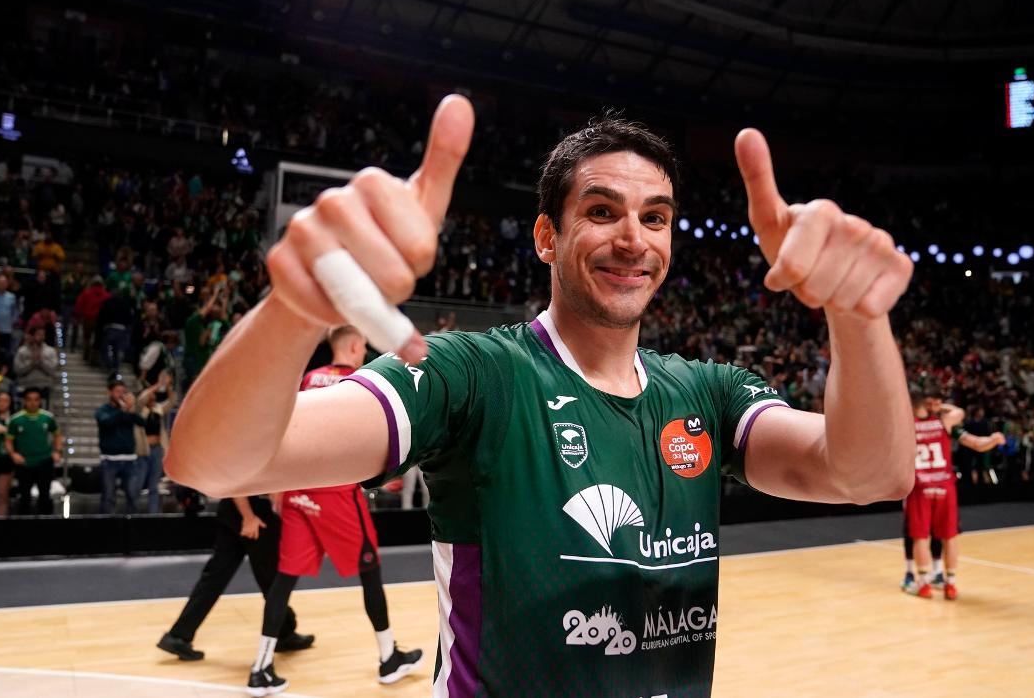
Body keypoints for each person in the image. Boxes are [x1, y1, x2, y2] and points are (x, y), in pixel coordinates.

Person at [168, 98, 916, 697]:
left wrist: (858, 314)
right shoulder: (474, 376)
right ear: (546, 238)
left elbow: (869, 474)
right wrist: (295, 310)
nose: (633, 238)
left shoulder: (706, 391)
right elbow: (214, 464)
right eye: (601, 211)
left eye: (654, 217)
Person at [254, 326, 423, 691]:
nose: (363, 352)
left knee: (285, 578)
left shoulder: (310, 379)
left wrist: (278, 486)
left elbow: (287, 433)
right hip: (336, 493)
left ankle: (261, 666)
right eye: (362, 346)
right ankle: (387, 658)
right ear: (352, 345)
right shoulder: (358, 382)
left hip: (299, 494)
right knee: (370, 571)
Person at [156, 494, 316, 668]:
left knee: (217, 576)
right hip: (251, 511)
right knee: (272, 580)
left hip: (236, 508)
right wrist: (248, 516)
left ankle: (178, 636)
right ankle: (284, 634)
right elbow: (238, 480)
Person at [903, 390, 1005, 600]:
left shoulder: (906, 426)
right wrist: (994, 439)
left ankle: (923, 584)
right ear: (930, 403)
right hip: (945, 485)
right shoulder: (945, 422)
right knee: (950, 537)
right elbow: (974, 437)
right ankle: (950, 584)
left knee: (920, 537)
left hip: (921, 486)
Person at [6, 387, 62, 516]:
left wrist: (57, 451)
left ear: (40, 401)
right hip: (24, 463)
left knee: (45, 496)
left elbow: (57, 435)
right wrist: (13, 454)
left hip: (44, 461)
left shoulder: (48, 417)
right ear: (25, 401)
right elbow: (8, 441)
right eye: (30, 400)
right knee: (24, 497)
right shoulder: (15, 420)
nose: (33, 403)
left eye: (36, 400)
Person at [95, 378, 143, 514]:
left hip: (129, 460)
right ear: (110, 392)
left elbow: (142, 422)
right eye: (117, 391)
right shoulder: (103, 410)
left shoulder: (128, 411)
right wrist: (122, 410)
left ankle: (133, 530)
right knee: (108, 497)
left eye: (123, 391)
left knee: (133, 497)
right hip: (109, 460)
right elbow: (106, 423)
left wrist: (132, 409)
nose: (121, 394)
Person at [136, 373, 176, 514]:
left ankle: (153, 514)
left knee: (154, 485)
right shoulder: (141, 410)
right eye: (150, 395)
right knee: (139, 483)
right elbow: (141, 399)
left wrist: (168, 385)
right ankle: (133, 513)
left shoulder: (158, 409)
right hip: (143, 450)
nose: (153, 397)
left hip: (157, 449)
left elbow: (171, 401)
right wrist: (158, 385)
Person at [13, 326, 58, 410]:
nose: (41, 337)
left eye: (43, 334)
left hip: (44, 387)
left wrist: (41, 361)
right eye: (38, 334)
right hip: (26, 386)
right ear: (32, 335)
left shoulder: (50, 351)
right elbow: (17, 370)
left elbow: (52, 370)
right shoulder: (22, 351)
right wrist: (31, 363)